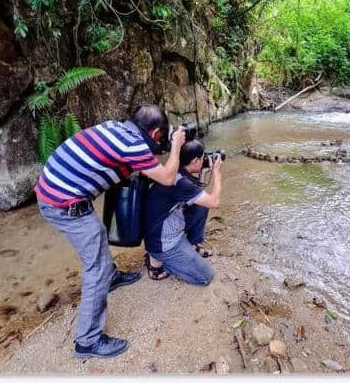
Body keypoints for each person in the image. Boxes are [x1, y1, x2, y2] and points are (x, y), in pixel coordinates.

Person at [35, 104, 185, 359]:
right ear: (157, 132)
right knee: (96, 267)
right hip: (63, 204)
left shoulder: (115, 128)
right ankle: (88, 341)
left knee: (97, 236)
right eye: (162, 137)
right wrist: (178, 145)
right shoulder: (134, 146)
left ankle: (112, 277)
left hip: (54, 189)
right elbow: (168, 178)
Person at [142, 140, 222, 285]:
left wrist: (203, 171)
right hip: (164, 242)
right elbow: (214, 202)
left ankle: (190, 245)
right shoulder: (180, 182)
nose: (205, 159)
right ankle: (156, 263)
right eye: (203, 157)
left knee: (200, 204)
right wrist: (216, 172)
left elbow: (197, 192)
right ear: (195, 160)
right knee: (206, 276)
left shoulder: (175, 169)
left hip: (160, 227)